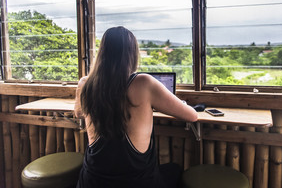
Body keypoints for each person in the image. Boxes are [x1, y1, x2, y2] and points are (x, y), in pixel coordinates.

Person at [75, 26, 198, 188]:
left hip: (91, 182)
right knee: (174, 169)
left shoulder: (85, 84)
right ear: (131, 54)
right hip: (137, 182)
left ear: (102, 52)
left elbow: (78, 113)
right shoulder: (143, 83)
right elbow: (192, 116)